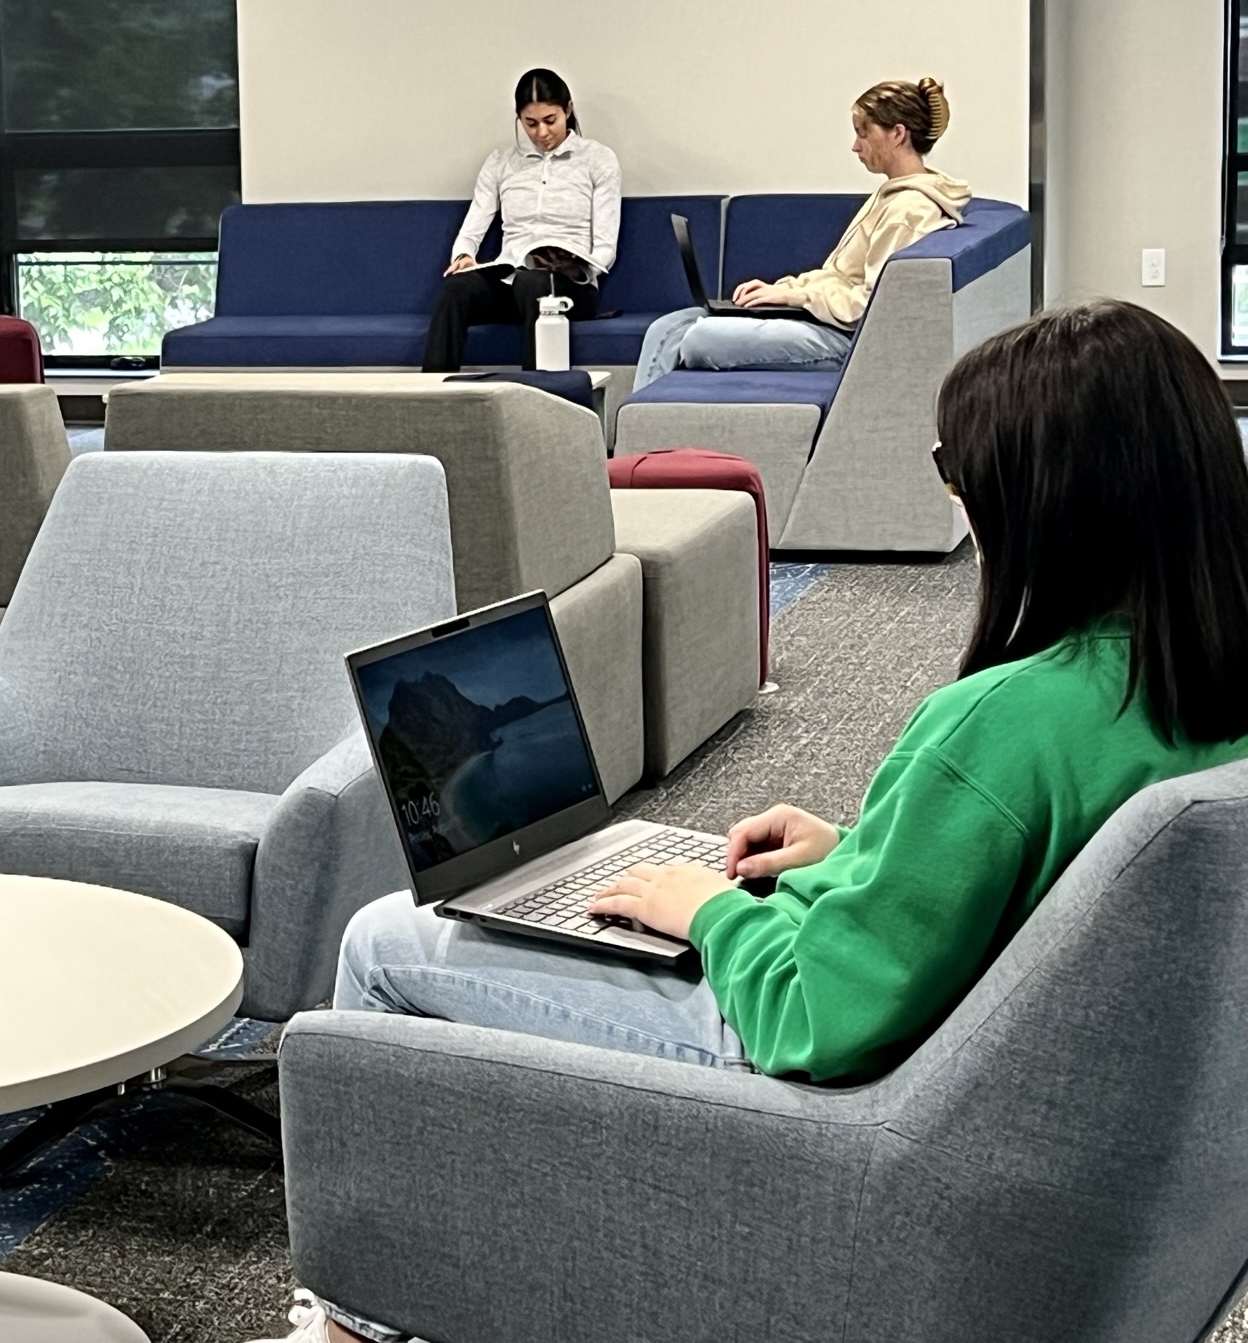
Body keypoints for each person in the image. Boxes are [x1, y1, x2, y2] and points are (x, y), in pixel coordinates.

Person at [260, 298, 1248, 1343]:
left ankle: (356, 1319)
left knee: (383, 942)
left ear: (1041, 501)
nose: (952, 486)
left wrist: (704, 914)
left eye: (953, 463)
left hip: (826, 1062)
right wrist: (857, 851)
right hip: (968, 1056)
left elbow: (814, 1020)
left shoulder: (1006, 723)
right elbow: (1034, 895)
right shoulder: (1201, 684)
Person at [633, 78, 970, 390]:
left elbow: (871, 306)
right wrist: (785, 289)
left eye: (863, 133)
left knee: (698, 338)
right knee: (670, 325)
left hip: (843, 339)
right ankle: (641, 437)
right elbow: (838, 276)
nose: (855, 146)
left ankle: (643, 444)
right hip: (827, 321)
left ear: (897, 134)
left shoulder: (908, 210)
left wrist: (796, 299)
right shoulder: (892, 194)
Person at [421, 69, 621, 371]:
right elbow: (472, 228)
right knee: (458, 288)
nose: (541, 133)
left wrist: (579, 266)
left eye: (550, 120)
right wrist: (463, 255)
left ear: (567, 109)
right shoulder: (501, 163)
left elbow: (606, 247)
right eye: (531, 123)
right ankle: (433, 400)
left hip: (568, 290)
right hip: (511, 284)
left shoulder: (598, 160)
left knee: (534, 280)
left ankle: (534, 399)